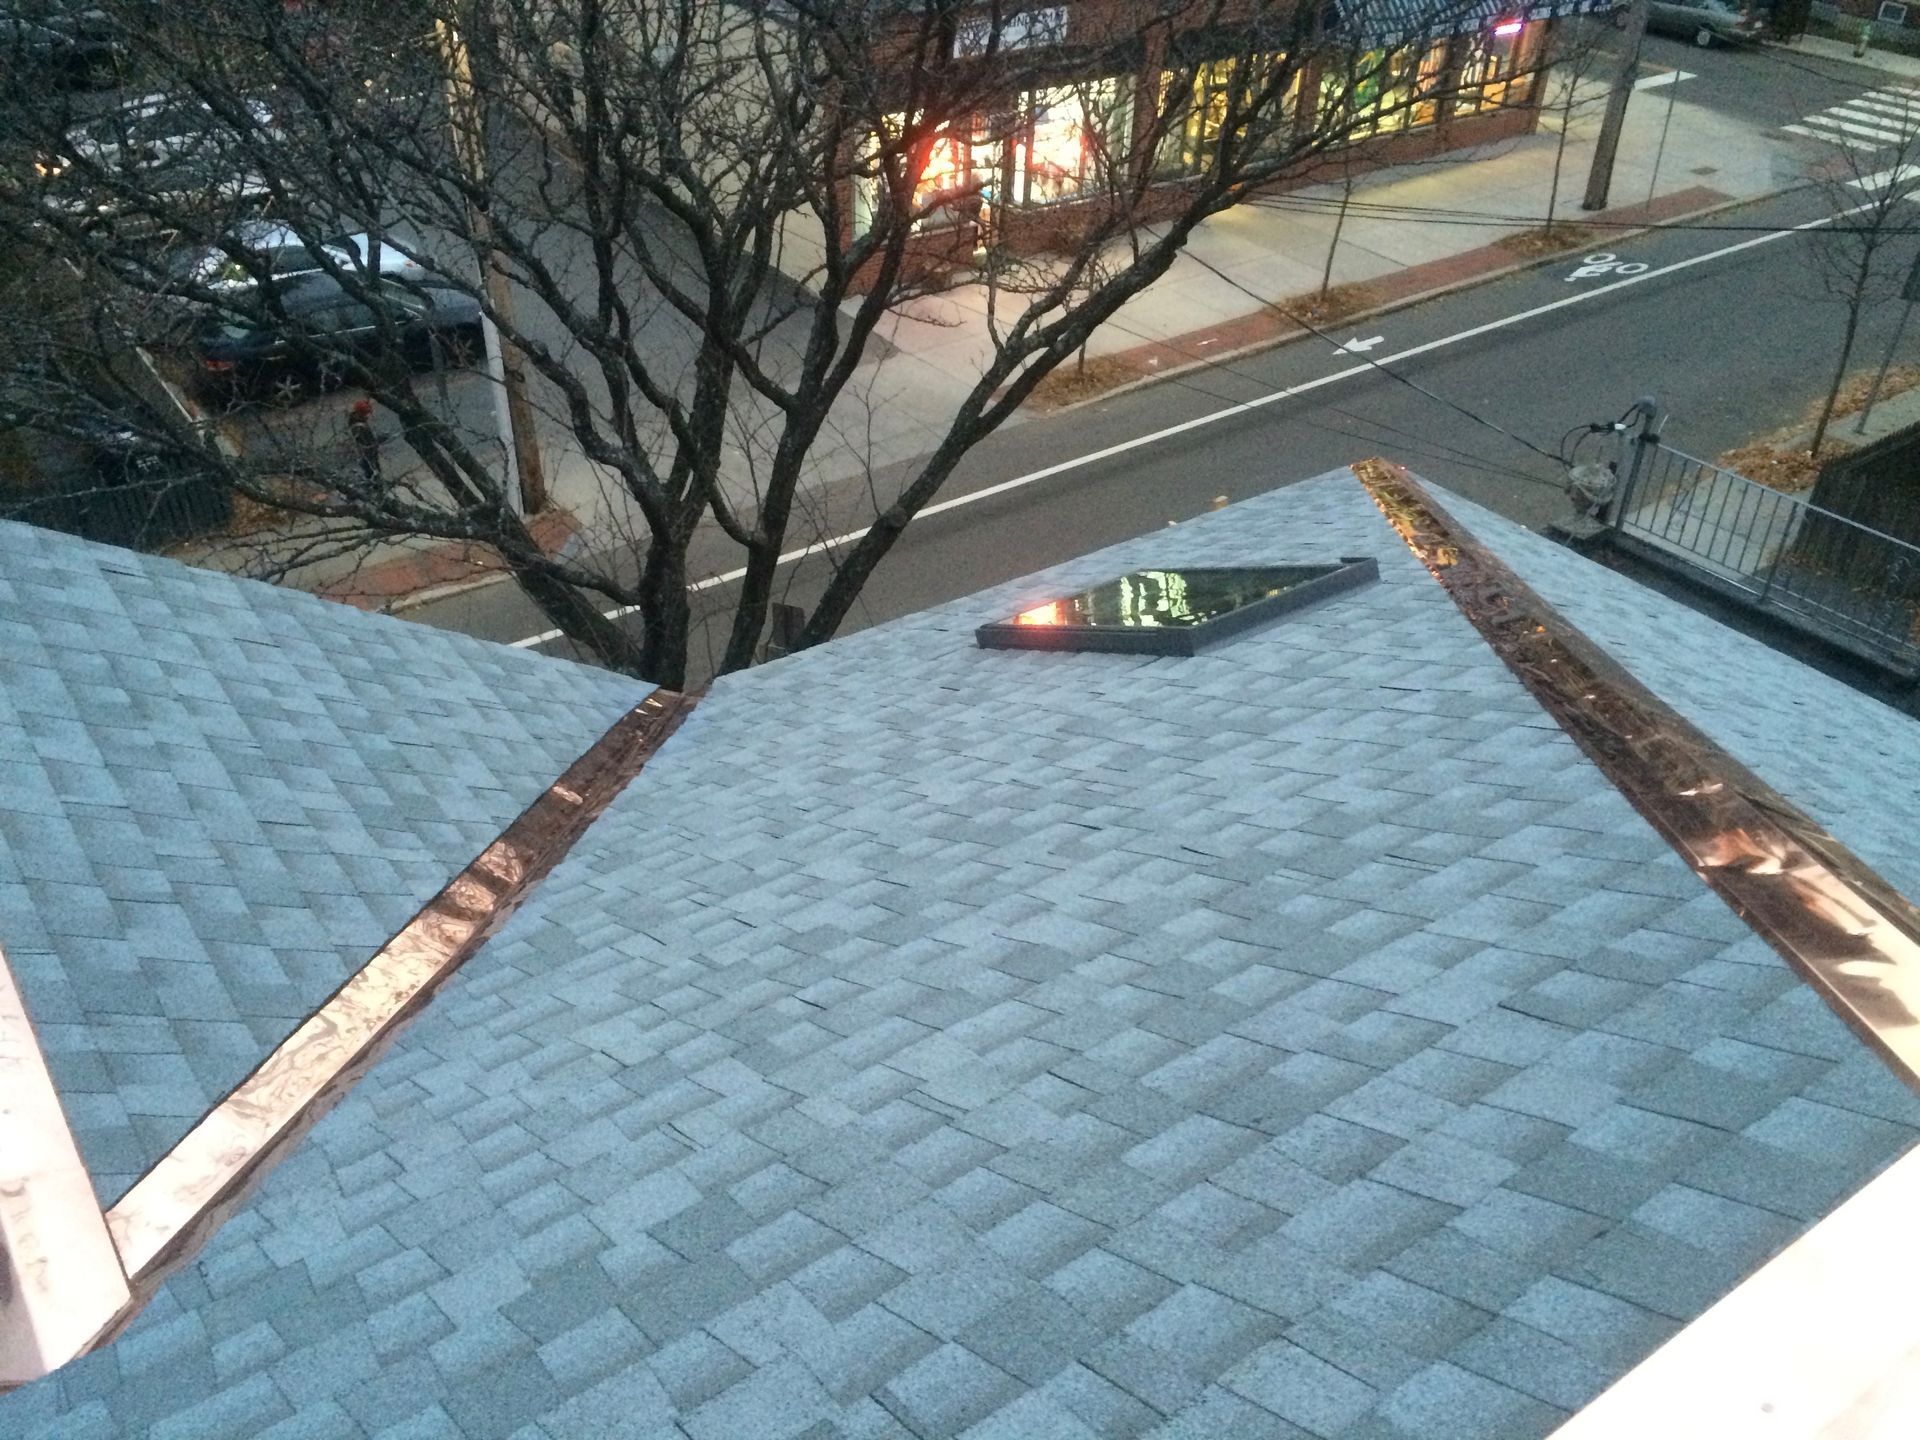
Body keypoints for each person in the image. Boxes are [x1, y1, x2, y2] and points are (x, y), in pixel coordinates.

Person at [346, 398, 382, 483]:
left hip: (366, 455)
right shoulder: (359, 427)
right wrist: (377, 441)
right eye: (365, 414)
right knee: (372, 475)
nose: (367, 416)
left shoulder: (357, 422)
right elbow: (365, 444)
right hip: (367, 456)